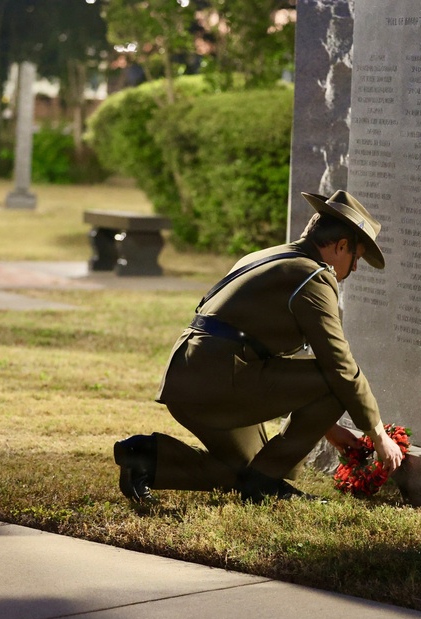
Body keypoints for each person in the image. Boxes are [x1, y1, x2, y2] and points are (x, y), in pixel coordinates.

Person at [112, 190, 405, 503]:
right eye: (356, 257)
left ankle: (144, 457)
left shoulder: (267, 257)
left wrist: (329, 428)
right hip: (218, 381)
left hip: (188, 377)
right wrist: (378, 435)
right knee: (334, 385)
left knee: (248, 472)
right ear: (341, 246)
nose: (355, 268)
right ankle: (266, 484)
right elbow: (340, 366)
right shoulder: (312, 277)